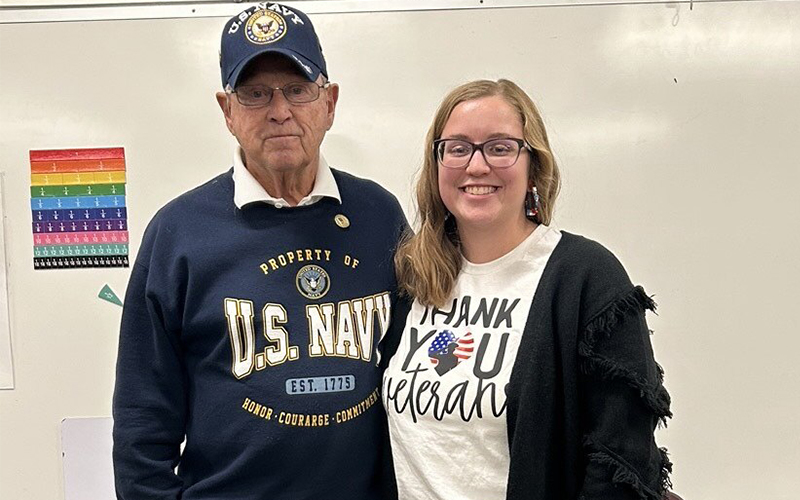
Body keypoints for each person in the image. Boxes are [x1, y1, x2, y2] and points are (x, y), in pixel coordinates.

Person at [112, 3, 406, 499]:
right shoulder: (179, 232)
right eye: (254, 93)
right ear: (227, 112)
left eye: (298, 89)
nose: (279, 111)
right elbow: (144, 420)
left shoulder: (379, 215)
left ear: (329, 102)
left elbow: (411, 377)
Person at [382, 79, 672, 500]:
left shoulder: (585, 277)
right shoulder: (414, 276)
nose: (477, 166)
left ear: (533, 165)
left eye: (500, 147)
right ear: (437, 163)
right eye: (458, 147)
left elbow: (621, 460)